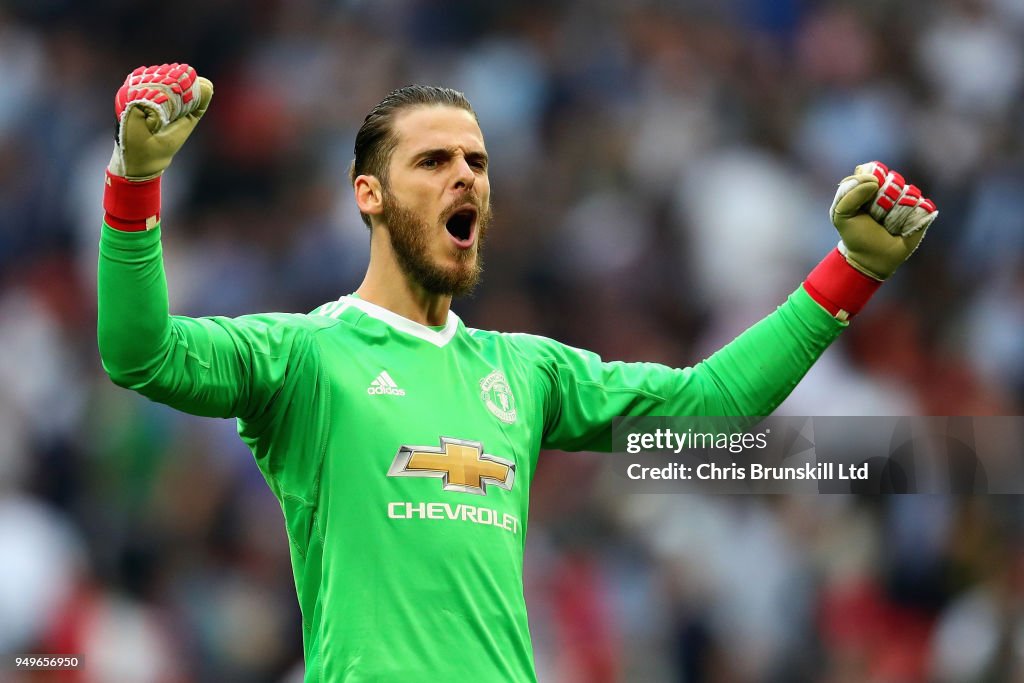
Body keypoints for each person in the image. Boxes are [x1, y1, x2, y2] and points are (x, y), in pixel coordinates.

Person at [97, 64, 937, 682]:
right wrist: (136, 183)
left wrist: (851, 271)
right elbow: (142, 353)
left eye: (477, 161)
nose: (465, 174)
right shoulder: (306, 355)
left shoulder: (523, 370)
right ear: (369, 195)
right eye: (432, 162)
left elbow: (708, 406)